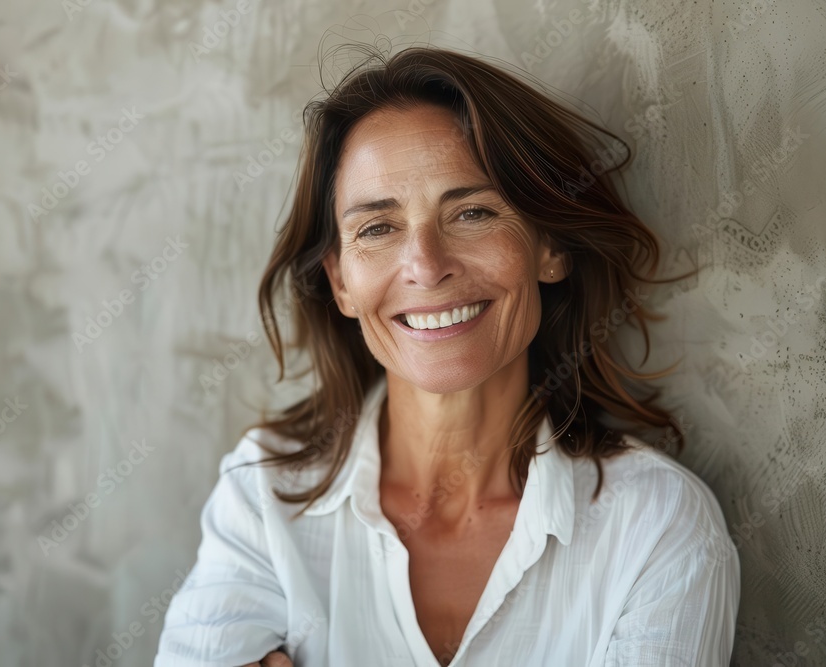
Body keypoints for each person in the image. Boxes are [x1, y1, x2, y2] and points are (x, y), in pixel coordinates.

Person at [154, 44, 739, 667]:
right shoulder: (263, 495)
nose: (427, 267)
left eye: (473, 213)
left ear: (550, 247)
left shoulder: (657, 526)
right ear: (341, 281)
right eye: (378, 228)